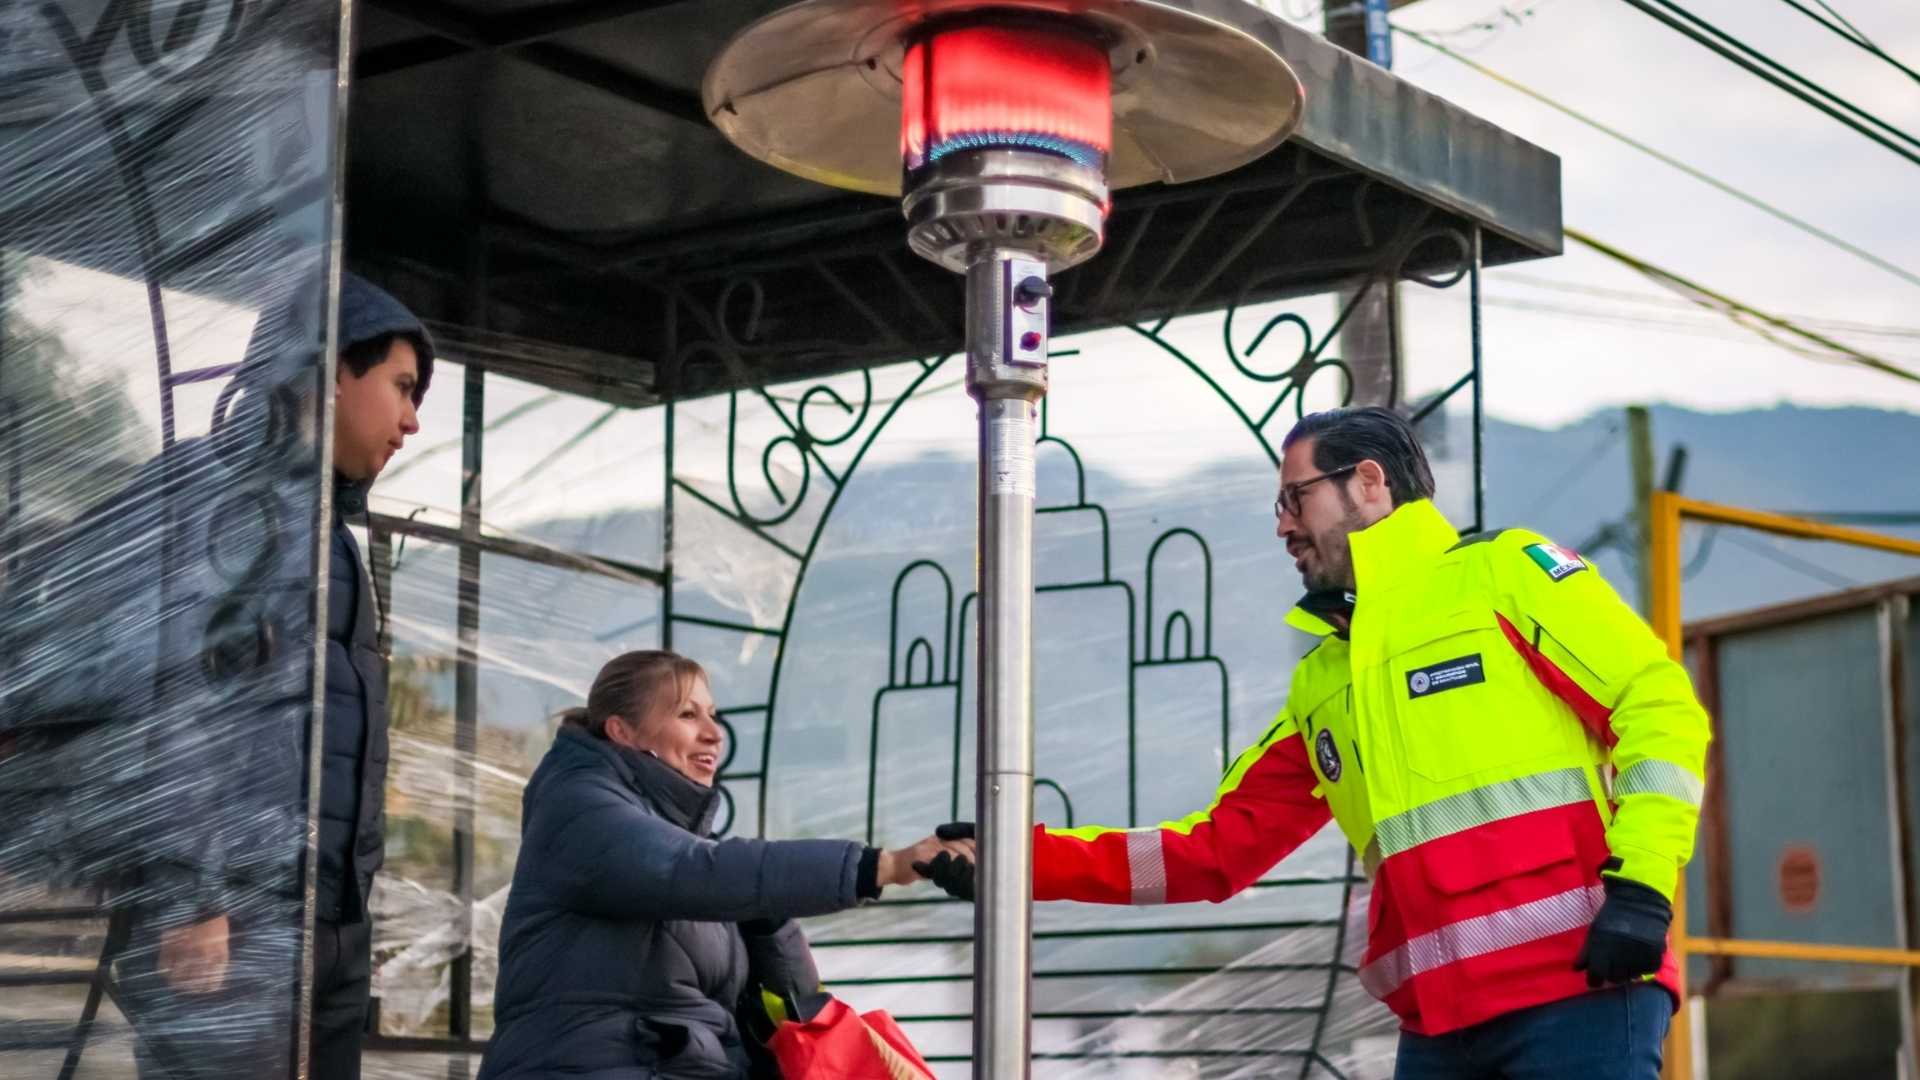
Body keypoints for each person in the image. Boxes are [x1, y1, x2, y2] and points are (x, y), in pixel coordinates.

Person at [919, 406, 1710, 1080]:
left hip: (1579, 992)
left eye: (1295, 497)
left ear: (1370, 483)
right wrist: (1021, 863)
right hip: (1439, 1027)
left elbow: (1660, 706)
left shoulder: (1505, 574)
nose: (1282, 524)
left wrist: (1642, 888)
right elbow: (1215, 851)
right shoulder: (1324, 680)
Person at [124, 272, 433, 1079]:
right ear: (333, 368)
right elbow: (178, 705)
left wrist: (347, 926)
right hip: (235, 924)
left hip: (324, 926)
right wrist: (194, 901)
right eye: (401, 386)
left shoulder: (330, 536)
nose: (413, 418)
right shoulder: (222, 501)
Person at [479, 649, 972, 1080]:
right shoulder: (579, 808)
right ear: (622, 731)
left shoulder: (682, 841)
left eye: (713, 715)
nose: (714, 734)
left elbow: (793, 1001)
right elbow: (694, 870)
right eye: (688, 715)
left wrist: (769, 914)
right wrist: (885, 866)